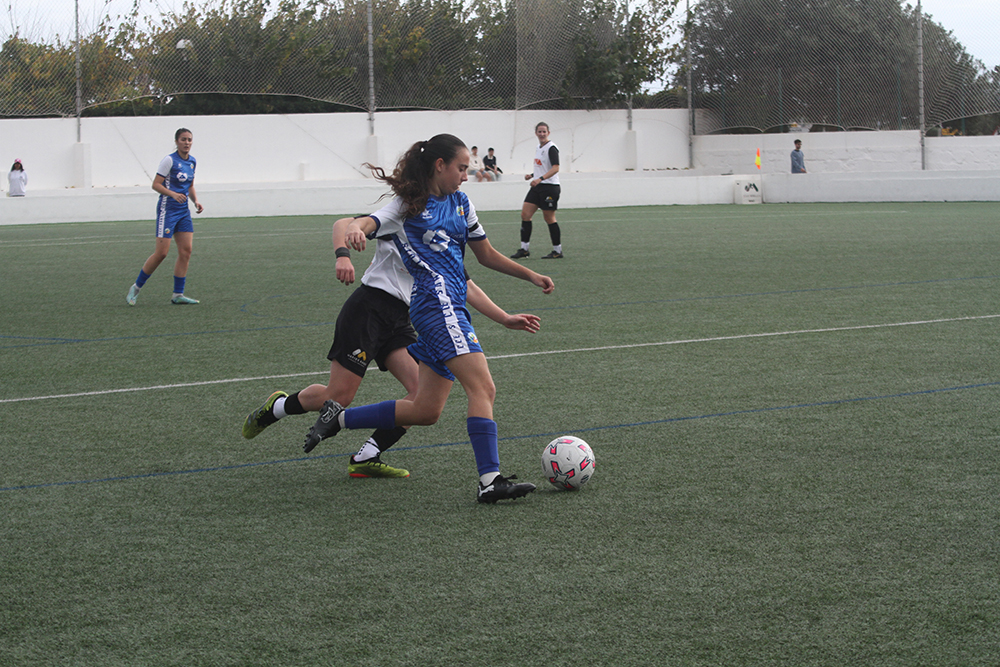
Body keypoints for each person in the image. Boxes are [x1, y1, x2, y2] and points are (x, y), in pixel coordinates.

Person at [302, 133, 555, 504]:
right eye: (462, 168)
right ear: (440, 166)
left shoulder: (461, 203)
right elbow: (367, 223)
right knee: (483, 389)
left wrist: (528, 278)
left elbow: (485, 256)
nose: (466, 175)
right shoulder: (406, 207)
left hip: (452, 307)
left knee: (425, 410)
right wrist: (355, 231)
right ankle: (490, 481)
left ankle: (336, 418)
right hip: (435, 307)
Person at [242, 214, 544, 479]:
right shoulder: (400, 214)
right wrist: (342, 254)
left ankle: (366, 457)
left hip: (404, 318)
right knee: (338, 396)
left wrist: (504, 317)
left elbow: (466, 285)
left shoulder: (440, 232)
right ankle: (277, 407)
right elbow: (342, 224)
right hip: (368, 310)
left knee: (420, 399)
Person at [126, 128, 203, 306]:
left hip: (183, 212)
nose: (187, 143)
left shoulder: (192, 162)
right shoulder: (169, 160)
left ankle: (178, 294)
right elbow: (156, 185)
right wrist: (173, 194)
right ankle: (136, 288)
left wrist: (196, 201)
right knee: (162, 253)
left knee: (186, 251)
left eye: (189, 140)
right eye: (183, 139)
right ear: (176, 141)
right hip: (167, 211)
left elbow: (190, 186)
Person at [511, 122, 562, 259]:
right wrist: (532, 175)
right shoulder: (539, 148)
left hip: (550, 187)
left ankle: (557, 250)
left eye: (544, 131)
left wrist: (539, 178)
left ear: (548, 133)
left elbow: (555, 168)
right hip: (537, 186)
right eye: (539, 132)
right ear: (536, 133)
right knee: (525, 214)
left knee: (549, 218)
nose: (542, 134)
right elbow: (543, 168)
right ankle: (524, 249)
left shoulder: (552, 148)